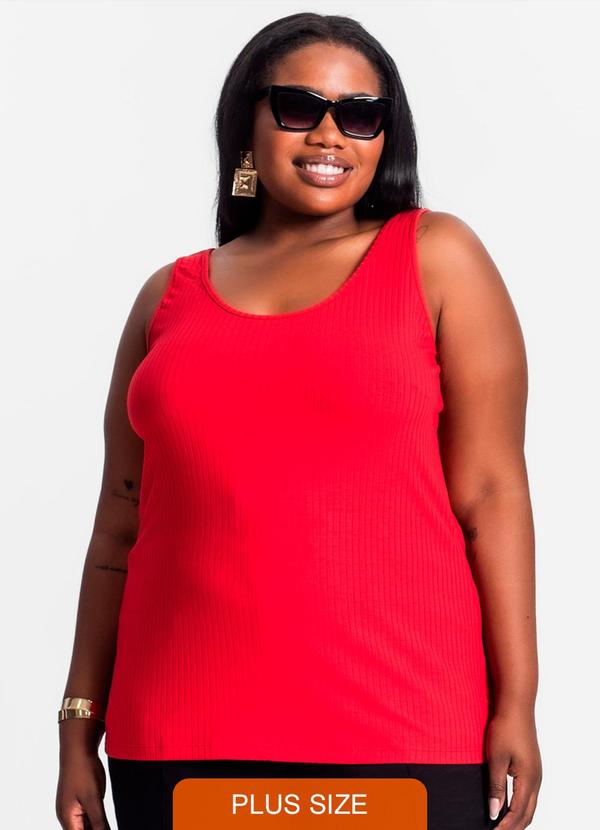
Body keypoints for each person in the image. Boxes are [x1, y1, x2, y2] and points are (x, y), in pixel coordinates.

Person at [55, 12, 542, 830]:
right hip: (176, 736)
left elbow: (492, 495)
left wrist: (517, 702)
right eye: (298, 106)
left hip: (401, 731)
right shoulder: (167, 297)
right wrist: (78, 722)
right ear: (246, 123)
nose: (329, 134)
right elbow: (119, 526)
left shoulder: (436, 258)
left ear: (386, 135)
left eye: (360, 114)